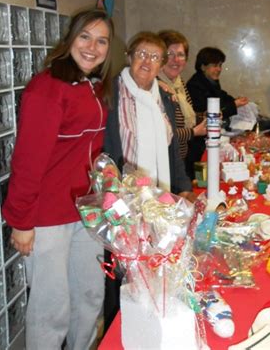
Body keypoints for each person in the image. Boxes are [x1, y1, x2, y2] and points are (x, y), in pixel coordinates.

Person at [1, 8, 114, 349]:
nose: (92, 47)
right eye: (85, 36)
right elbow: (27, 159)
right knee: (52, 309)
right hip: (47, 216)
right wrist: (21, 220)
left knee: (90, 297)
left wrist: (105, 174)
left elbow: (86, 150)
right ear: (69, 39)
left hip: (85, 212)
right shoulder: (48, 88)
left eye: (102, 40)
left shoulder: (91, 87)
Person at [102, 31, 196, 329]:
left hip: (161, 200)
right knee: (122, 275)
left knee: (155, 271)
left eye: (155, 57)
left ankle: (151, 331)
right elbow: (104, 150)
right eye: (141, 54)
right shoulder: (110, 94)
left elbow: (173, 154)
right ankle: (120, 333)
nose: (148, 61)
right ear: (129, 56)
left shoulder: (163, 98)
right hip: (125, 202)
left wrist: (184, 188)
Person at [186, 47, 248, 178]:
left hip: (209, 137)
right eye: (214, 65)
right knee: (201, 177)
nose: (219, 69)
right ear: (203, 67)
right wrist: (234, 104)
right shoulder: (195, 85)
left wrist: (235, 101)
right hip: (198, 141)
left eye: (220, 65)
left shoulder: (210, 82)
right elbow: (208, 113)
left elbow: (222, 96)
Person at [157, 29, 206, 165]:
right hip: (161, 162)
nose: (176, 60)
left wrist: (207, 117)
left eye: (180, 55)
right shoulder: (155, 86)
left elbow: (188, 117)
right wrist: (193, 132)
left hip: (178, 159)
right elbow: (162, 134)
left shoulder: (179, 83)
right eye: (170, 54)